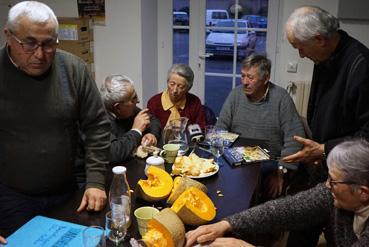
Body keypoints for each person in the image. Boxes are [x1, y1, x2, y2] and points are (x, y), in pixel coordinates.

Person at [0, 1, 110, 243]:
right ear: (8, 35)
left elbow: (98, 127)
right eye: (29, 43)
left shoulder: (73, 69)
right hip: (12, 197)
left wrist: (95, 181)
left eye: (49, 44)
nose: (40, 54)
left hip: (68, 190)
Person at [186, 139, 369, 247]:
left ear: (362, 193)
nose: (327, 185)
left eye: (333, 181)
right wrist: (228, 224)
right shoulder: (335, 193)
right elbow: (287, 209)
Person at [282, 6, 369, 184]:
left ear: (320, 39)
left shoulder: (362, 65)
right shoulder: (324, 54)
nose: (300, 55)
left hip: (348, 172)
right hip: (325, 161)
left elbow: (367, 135)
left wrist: (323, 149)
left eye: (300, 48)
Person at [216, 54, 305, 199]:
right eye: (242, 76)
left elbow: (295, 139)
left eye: (250, 77)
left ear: (265, 78)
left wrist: (281, 171)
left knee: (262, 196)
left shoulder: (281, 98)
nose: (245, 82)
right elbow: (220, 128)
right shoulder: (236, 94)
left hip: (269, 163)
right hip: (237, 159)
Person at [100, 74, 161, 164]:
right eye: (133, 98)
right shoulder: (98, 120)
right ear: (117, 107)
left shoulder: (129, 109)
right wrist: (136, 131)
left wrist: (152, 134)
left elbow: (153, 120)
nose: (138, 101)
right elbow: (114, 153)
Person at [147, 64, 206, 129]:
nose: (175, 90)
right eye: (172, 84)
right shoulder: (154, 103)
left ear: (188, 88)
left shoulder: (194, 102)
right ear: (167, 82)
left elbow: (201, 129)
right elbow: (150, 132)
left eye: (181, 87)